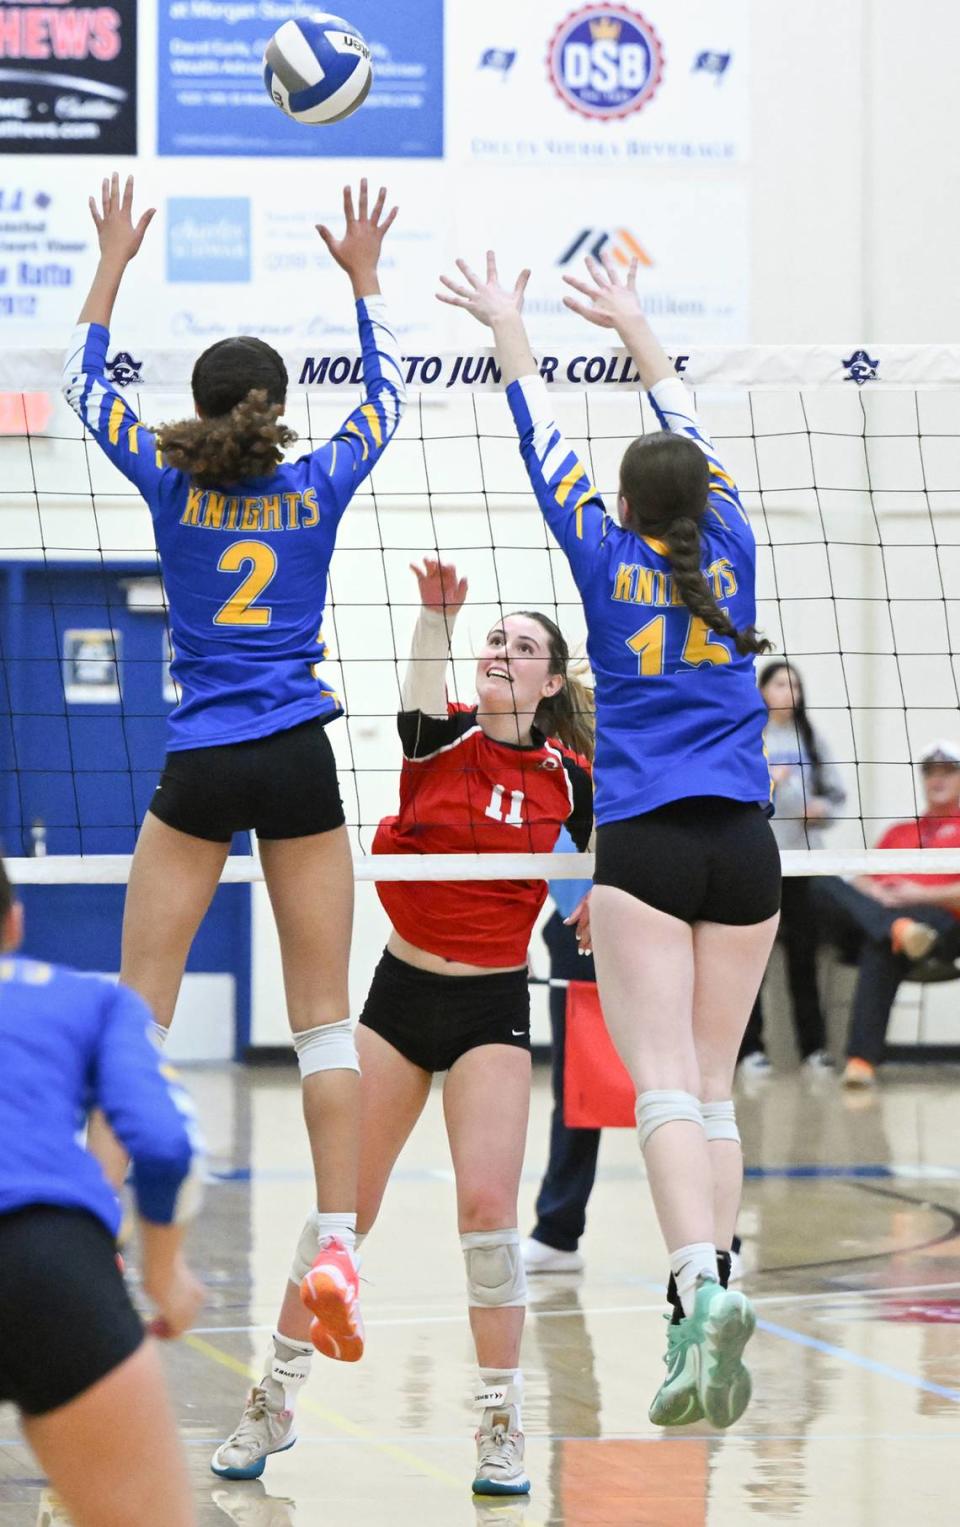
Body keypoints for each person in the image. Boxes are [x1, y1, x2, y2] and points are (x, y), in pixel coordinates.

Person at [437, 249, 781, 1430]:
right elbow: (683, 419)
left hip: (644, 849)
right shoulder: (732, 544)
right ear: (702, 503)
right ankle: (720, 1282)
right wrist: (641, 327)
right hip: (746, 850)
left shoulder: (603, 553)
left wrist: (508, 323)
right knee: (718, 1090)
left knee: (663, 1091)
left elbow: (541, 439)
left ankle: (697, 1287)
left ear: (628, 511)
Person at [64, 174, 404, 1367]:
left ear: (205, 404)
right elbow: (388, 406)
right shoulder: (317, 484)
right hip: (300, 756)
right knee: (323, 1024)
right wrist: (364, 283)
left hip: (203, 757)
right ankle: (340, 1244)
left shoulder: (170, 482)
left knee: (134, 1018)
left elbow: (79, 386)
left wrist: (111, 259)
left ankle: (100, 1233)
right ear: (279, 408)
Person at [213, 558, 593, 1495]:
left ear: (551, 684)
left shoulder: (574, 782)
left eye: (524, 646)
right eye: (495, 639)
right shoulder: (440, 741)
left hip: (493, 1008)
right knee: (345, 1213)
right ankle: (272, 1400)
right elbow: (420, 702)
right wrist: (435, 617)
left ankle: (500, 1426)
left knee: (489, 1218)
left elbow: (614, 859)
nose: (502, 651)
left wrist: (601, 898)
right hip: (400, 999)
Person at [0, 856, 204, 1527]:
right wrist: (166, 1275)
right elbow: (165, 1142)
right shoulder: (93, 1002)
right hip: (50, 1268)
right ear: (14, 922)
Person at [812, 741, 960, 1087]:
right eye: (930, 773)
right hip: (888, 916)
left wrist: (923, 893)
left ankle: (862, 1060)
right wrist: (873, 891)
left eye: (948, 772)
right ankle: (896, 928)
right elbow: (864, 878)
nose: (937, 780)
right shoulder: (899, 832)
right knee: (819, 879)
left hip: (941, 923)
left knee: (882, 943)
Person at [738, 661, 846, 1075]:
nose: (790, 691)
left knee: (804, 959)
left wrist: (821, 810)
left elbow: (836, 795)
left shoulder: (812, 738)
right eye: (781, 683)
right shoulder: (748, 736)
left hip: (803, 864)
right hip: (757, 862)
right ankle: (750, 1050)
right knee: (751, 961)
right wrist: (769, 783)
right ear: (762, 690)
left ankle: (813, 1050)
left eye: (796, 685)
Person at [521, 827, 599, 1275]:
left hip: (649, 914)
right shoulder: (550, 767)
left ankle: (719, 1238)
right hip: (574, 927)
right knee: (576, 1087)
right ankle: (557, 1231)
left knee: (679, 1086)